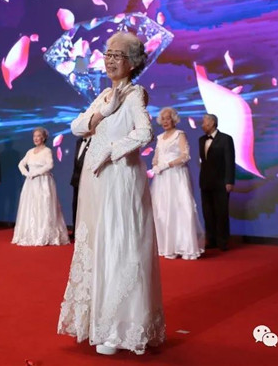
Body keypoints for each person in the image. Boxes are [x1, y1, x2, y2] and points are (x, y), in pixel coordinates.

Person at [57, 31, 165, 356]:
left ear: (132, 62)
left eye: (117, 55)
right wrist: (104, 112)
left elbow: (145, 133)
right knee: (96, 245)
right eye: (107, 54)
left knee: (118, 245)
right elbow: (77, 127)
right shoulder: (105, 95)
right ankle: (96, 322)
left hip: (120, 178)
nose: (110, 60)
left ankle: (118, 327)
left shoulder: (135, 94)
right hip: (96, 182)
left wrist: (112, 150)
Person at [150, 107, 205, 260]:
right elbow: (156, 156)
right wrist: (155, 164)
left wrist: (167, 165)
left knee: (180, 208)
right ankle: (167, 246)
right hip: (162, 178)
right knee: (162, 209)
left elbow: (185, 156)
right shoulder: (160, 137)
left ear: (174, 119)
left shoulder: (180, 134)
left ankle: (185, 246)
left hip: (176, 175)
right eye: (163, 119)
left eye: (168, 118)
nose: (165, 121)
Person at [12, 127, 70, 246]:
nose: (36, 138)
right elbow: (21, 164)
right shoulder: (30, 151)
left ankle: (44, 234)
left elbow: (50, 165)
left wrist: (36, 173)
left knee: (44, 205)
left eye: (38, 136)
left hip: (43, 181)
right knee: (30, 206)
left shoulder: (47, 151)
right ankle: (30, 234)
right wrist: (27, 173)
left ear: (43, 138)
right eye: (34, 136)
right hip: (31, 182)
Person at [198, 114, 235, 251]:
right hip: (205, 182)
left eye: (204, 122)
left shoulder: (225, 139)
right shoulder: (201, 140)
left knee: (221, 212)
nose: (202, 125)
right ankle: (211, 240)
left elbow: (229, 161)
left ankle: (223, 241)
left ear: (212, 123)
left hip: (221, 182)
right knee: (208, 213)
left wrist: (229, 181)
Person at [70, 136, 91, 240]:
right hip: (77, 179)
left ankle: (87, 233)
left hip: (89, 180)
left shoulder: (96, 140)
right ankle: (76, 231)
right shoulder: (79, 141)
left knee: (88, 206)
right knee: (76, 205)